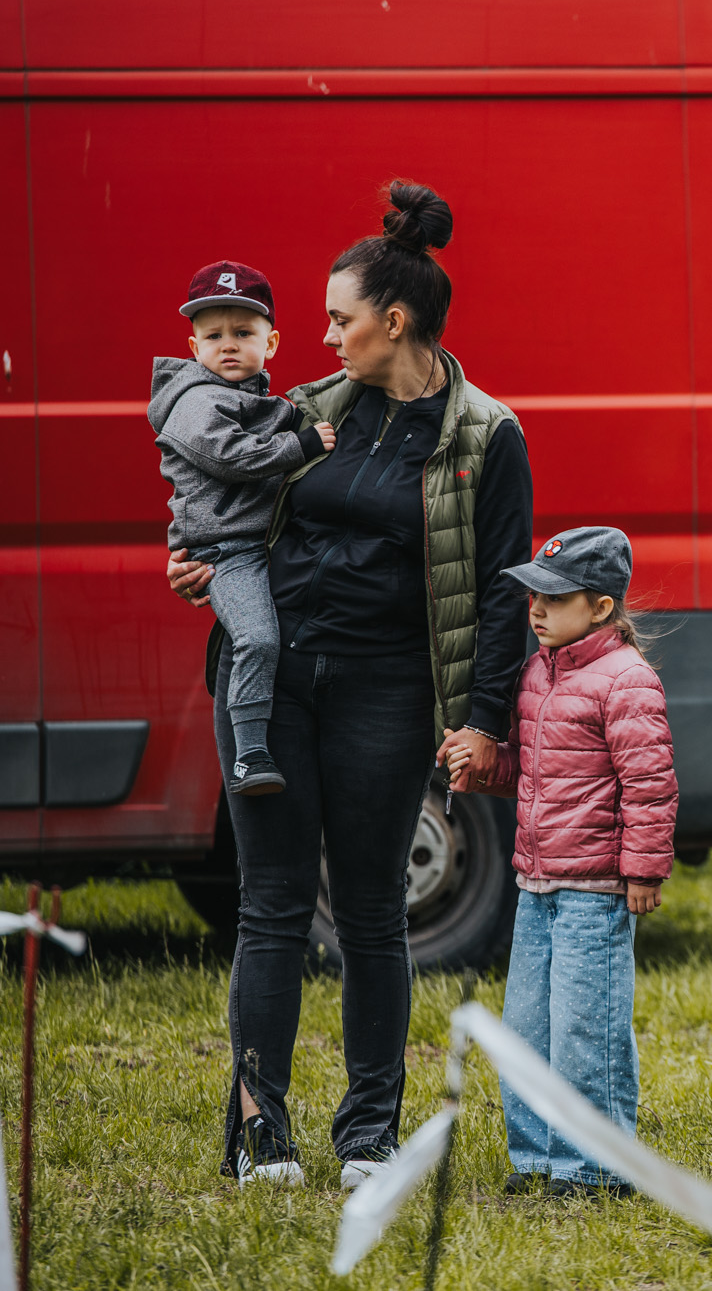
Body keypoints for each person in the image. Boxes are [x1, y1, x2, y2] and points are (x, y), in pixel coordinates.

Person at [166, 180, 534, 1191]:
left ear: (395, 320)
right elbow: (219, 506)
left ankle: (368, 1136)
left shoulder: (484, 436)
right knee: (272, 903)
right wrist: (194, 561)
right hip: (272, 680)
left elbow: (503, 592)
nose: (323, 337)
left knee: (372, 910)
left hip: (388, 689)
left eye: (339, 318)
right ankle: (259, 1132)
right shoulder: (303, 409)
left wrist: (482, 720)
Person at [440, 526, 677, 1199]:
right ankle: (538, 1156)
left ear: (601, 607)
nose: (536, 608)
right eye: (531, 596)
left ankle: (594, 1167)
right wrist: (481, 769)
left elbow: (650, 783)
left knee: (586, 1027)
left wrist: (643, 869)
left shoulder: (625, 680)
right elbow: (532, 772)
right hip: (536, 881)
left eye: (554, 596)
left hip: (595, 888)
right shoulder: (536, 673)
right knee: (528, 1026)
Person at [149, 261, 336, 796]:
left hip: (259, 544)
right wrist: (298, 446)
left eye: (243, 333)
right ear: (192, 346)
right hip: (224, 552)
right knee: (256, 638)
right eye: (213, 336)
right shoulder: (193, 403)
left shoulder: (259, 400)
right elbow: (228, 456)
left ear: (271, 342)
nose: (227, 345)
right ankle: (250, 754)